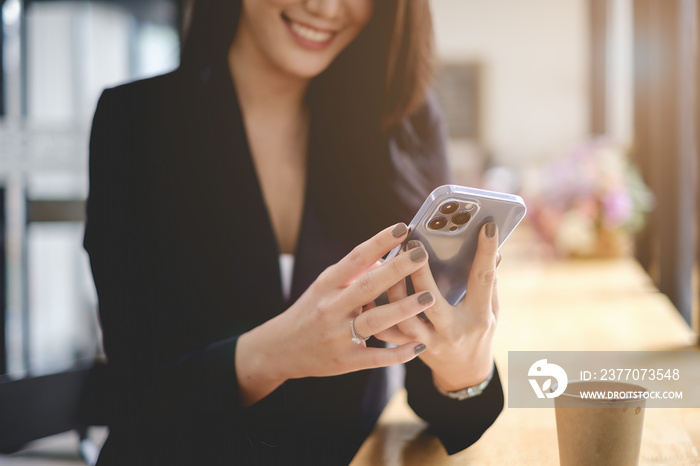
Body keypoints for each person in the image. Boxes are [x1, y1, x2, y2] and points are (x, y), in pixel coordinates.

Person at [84, 0, 504, 464]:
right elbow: (133, 389)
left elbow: (447, 414)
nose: (323, 7)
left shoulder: (401, 123)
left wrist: (465, 369)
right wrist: (274, 354)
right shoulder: (136, 119)